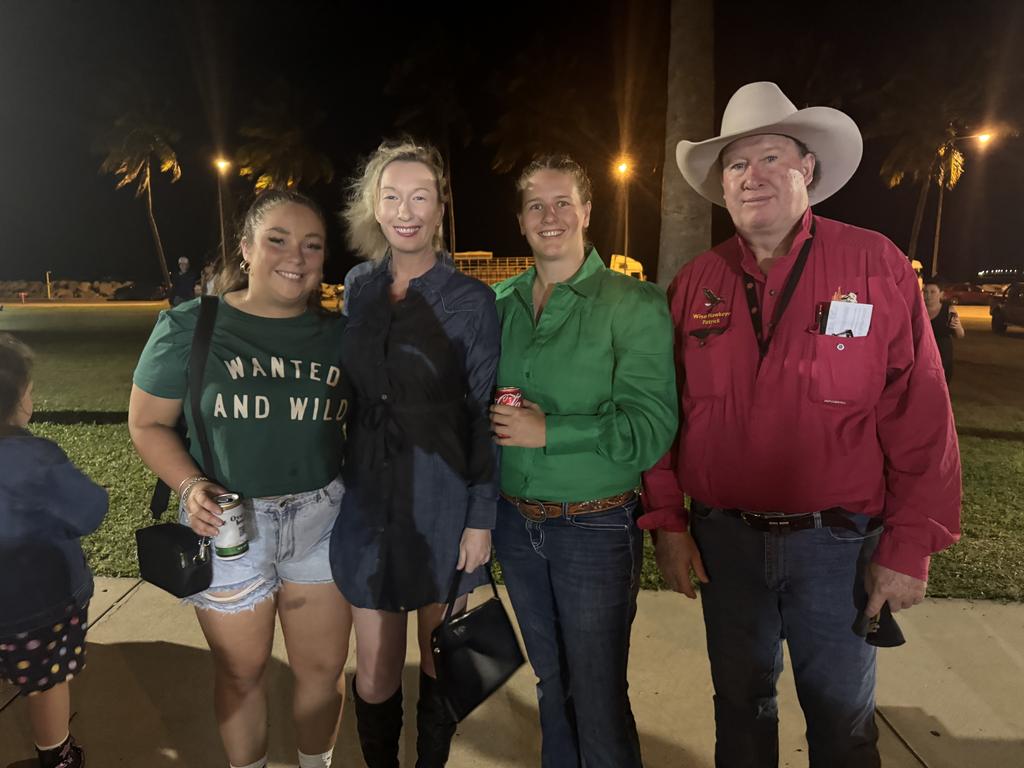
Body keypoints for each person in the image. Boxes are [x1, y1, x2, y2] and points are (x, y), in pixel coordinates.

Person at [641, 82, 962, 767]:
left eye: (769, 158)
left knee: (843, 728)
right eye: (735, 164)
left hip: (838, 548)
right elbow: (661, 414)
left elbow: (922, 414)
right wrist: (668, 523)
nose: (751, 176)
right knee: (740, 716)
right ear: (721, 183)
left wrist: (909, 547)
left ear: (807, 168)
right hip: (725, 545)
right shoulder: (694, 284)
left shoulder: (873, 266)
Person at [129, 189, 351, 768]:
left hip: (322, 519)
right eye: (277, 240)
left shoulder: (340, 336)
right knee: (240, 672)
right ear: (247, 249)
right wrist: (189, 485)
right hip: (226, 524)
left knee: (322, 673)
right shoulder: (191, 325)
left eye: (312, 246)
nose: (295, 257)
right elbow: (149, 423)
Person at [489, 155, 677, 768]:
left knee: (596, 694)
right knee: (551, 684)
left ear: (588, 212)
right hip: (516, 526)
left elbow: (650, 429)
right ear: (520, 221)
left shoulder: (633, 304)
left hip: (594, 528)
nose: (551, 216)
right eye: (536, 206)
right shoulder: (499, 305)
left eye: (563, 202)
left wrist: (552, 432)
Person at [331, 139, 499, 768]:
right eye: (392, 196)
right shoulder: (358, 288)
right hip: (368, 501)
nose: (406, 210)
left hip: (443, 499)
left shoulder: (472, 302)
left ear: (438, 208)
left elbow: (483, 414)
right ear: (374, 206)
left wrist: (481, 517)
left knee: (440, 654)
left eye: (420, 196)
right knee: (374, 670)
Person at [0, 333, 108, 768]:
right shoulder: (36, 458)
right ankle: (56, 755)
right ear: (17, 400)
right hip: (38, 609)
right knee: (46, 683)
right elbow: (89, 510)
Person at [923, 276, 965, 382]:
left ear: (941, 293)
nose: (928, 295)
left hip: (942, 357)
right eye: (925, 291)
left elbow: (960, 335)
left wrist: (958, 327)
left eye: (933, 292)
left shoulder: (949, 310)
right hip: (922, 356)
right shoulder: (918, 310)